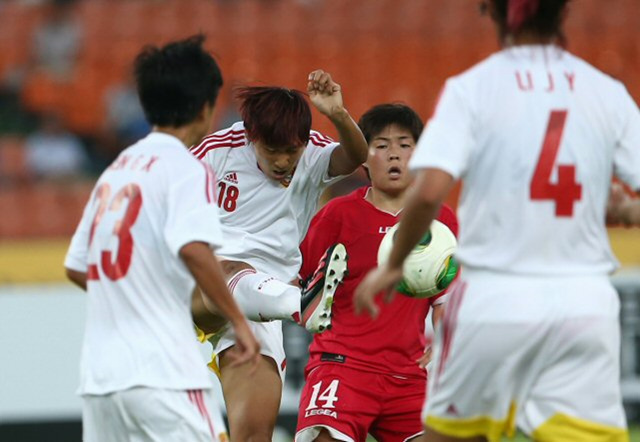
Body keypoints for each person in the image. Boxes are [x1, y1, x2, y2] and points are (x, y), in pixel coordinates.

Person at [355, 1, 639, 441]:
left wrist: (393, 266)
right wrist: (622, 211)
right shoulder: (604, 91)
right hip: (584, 303)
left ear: (500, 16)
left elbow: (429, 191)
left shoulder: (474, 89)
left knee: (451, 436)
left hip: (494, 299)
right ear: (562, 15)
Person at [63, 35, 260, 442]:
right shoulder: (185, 167)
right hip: (162, 370)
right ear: (206, 106)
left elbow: (77, 266)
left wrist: (133, 296)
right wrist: (239, 323)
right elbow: (194, 249)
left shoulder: (116, 170)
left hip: (101, 379)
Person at [190, 71, 368, 441]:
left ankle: (296, 302)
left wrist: (337, 114)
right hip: (198, 286)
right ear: (252, 137)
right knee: (228, 271)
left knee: (255, 432)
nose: (285, 160)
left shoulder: (314, 154)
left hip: (261, 307)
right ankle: (303, 303)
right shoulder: (216, 152)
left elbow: (355, 157)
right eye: (274, 151)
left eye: (293, 150)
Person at [295, 104, 458, 442]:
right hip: (342, 365)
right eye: (381, 146)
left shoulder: (441, 221)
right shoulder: (338, 214)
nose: (393, 154)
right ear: (364, 159)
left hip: (409, 375)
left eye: (404, 144)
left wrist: (444, 345)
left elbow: (448, 297)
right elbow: (299, 282)